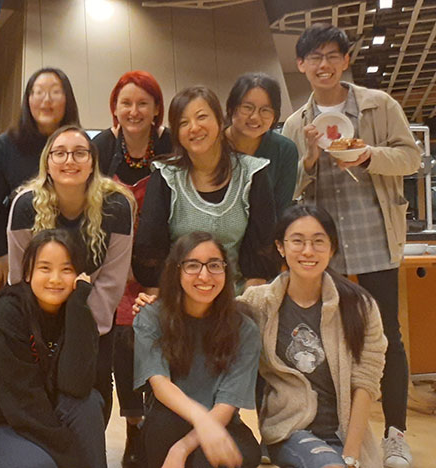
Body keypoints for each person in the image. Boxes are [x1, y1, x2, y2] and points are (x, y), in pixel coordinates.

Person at [281, 24, 420, 467]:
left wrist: (367, 155)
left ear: (345, 61)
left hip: (375, 236)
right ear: (301, 65)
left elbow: (411, 158)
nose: (323, 65)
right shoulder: (295, 124)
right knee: (334, 339)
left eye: (332, 56)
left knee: (388, 338)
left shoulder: (380, 105)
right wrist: (308, 160)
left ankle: (395, 432)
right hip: (324, 249)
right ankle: (341, 428)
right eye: (314, 58)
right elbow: (287, 187)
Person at [239, 205, 388, 468]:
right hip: (290, 429)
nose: (308, 251)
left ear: (332, 248)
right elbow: (211, 315)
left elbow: (366, 383)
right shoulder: (259, 303)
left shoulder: (359, 306)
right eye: (297, 241)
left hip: (346, 435)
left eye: (319, 241)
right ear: (280, 247)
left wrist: (351, 455)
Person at [7, 125, 134, 423]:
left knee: (93, 391)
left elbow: (112, 283)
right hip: (37, 317)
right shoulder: (24, 205)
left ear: (93, 162)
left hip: (92, 318)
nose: (69, 161)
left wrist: (79, 326)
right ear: (47, 163)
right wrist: (45, 325)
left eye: (80, 153)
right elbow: (19, 278)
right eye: (60, 153)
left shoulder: (117, 205)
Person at [0, 229, 105, 468]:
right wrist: (72, 458)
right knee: (40, 465)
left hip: (43, 414)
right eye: (45, 268)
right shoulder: (7, 315)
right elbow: (22, 404)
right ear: (28, 273)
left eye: (66, 269)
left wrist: (79, 306)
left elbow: (76, 386)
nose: (55, 279)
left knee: (88, 404)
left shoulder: (76, 310)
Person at [92, 70, 172, 467]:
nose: (134, 110)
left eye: (143, 102)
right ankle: (135, 425)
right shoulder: (102, 146)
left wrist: (162, 281)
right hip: (114, 267)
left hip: (163, 267)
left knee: (159, 336)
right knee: (123, 338)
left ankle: (164, 421)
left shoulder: (172, 148)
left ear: (157, 108)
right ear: (115, 108)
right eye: (126, 103)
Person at [133, 85, 278, 295]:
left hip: (236, 299)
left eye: (201, 117)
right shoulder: (165, 176)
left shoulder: (252, 174)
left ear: (220, 122)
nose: (194, 127)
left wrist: (247, 313)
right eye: (183, 123)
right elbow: (152, 252)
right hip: (179, 300)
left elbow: (261, 253)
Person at [133, 232, 262, 468]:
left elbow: (227, 404)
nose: (204, 275)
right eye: (193, 265)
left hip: (221, 423)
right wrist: (200, 419)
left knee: (232, 456)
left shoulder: (245, 329)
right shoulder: (151, 317)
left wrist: (183, 447)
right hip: (168, 421)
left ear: (226, 270)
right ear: (177, 271)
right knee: (165, 428)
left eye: (214, 265)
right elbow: (160, 385)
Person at [0, 67, 81, 290]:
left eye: (55, 92)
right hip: (19, 257)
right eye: (38, 92)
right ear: (28, 99)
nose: (46, 100)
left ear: (68, 100)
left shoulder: (81, 146)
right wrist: (2, 254)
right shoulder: (5, 146)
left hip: (70, 259)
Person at [224, 72, 298, 217]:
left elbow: (280, 210)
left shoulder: (284, 150)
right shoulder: (213, 143)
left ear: (275, 115)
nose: (255, 117)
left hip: (263, 236)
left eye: (265, 110)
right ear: (231, 108)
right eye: (247, 107)